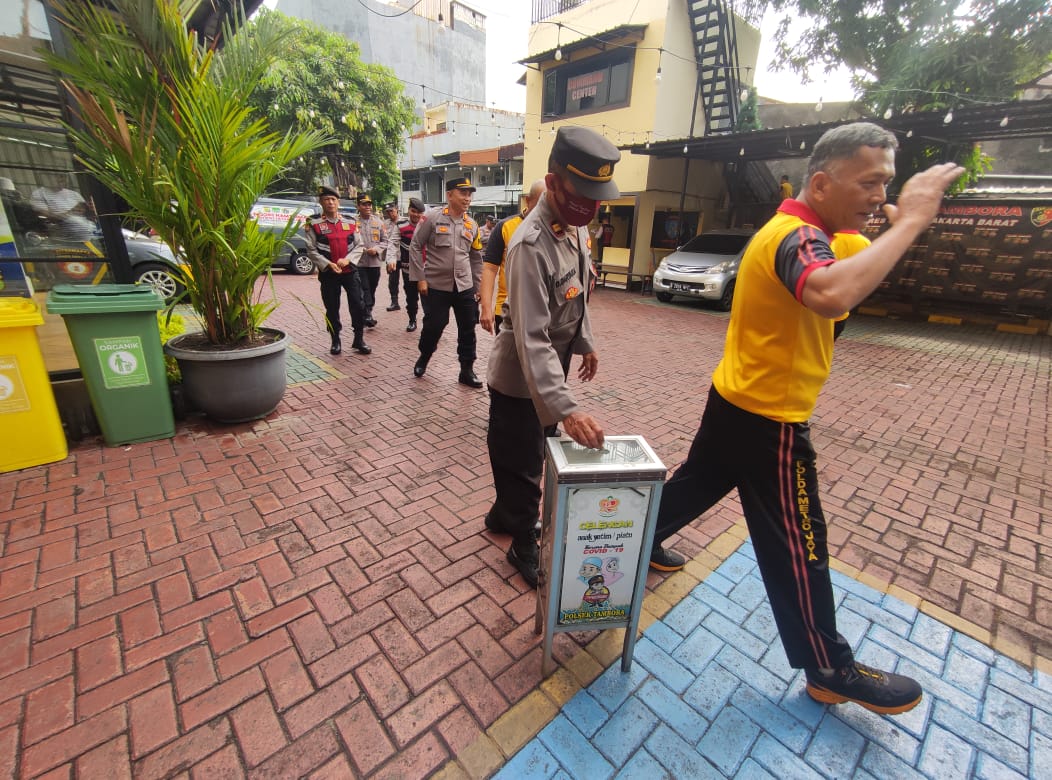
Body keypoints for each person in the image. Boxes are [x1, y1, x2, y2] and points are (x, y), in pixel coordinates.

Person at [647, 122, 963, 715]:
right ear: (821, 183)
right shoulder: (795, 237)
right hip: (770, 420)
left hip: (735, 398)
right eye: (869, 182)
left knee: (697, 482)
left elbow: (857, 267)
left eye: (887, 184)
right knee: (800, 542)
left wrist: (897, 231)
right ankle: (828, 667)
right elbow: (828, 293)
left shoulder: (823, 233)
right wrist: (915, 221)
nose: (879, 194)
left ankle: (637, 545)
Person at [485, 126, 616, 587]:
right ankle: (522, 544)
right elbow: (532, 339)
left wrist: (587, 343)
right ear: (554, 182)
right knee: (522, 459)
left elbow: (577, 295)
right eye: (583, 193)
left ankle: (504, 515)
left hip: (549, 371)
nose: (591, 206)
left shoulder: (574, 228)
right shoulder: (529, 243)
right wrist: (567, 409)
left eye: (597, 196)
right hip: (521, 376)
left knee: (528, 450)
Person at [408, 178, 485, 388]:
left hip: (465, 286)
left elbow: (476, 258)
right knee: (434, 326)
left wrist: (477, 287)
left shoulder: (472, 224)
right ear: (449, 194)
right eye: (463, 193)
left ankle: (466, 370)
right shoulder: (432, 218)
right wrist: (420, 278)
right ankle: (424, 357)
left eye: (470, 194)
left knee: (468, 328)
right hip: (436, 286)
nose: (467, 198)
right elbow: (415, 245)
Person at [305, 185, 370, 356]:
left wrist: (348, 259)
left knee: (358, 305)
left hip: (350, 272)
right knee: (332, 308)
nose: (330, 202)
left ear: (338, 202)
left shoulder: (349, 222)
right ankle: (335, 340)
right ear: (321, 202)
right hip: (329, 274)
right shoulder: (314, 224)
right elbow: (311, 250)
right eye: (326, 199)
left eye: (333, 199)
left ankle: (359, 339)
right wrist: (327, 264)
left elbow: (359, 245)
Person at [479, 179, 546, 335]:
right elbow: (489, 268)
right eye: (541, 203)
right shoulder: (505, 226)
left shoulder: (554, 230)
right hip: (507, 310)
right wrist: (486, 308)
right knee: (505, 359)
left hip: (541, 312)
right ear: (528, 201)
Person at [354, 193, 391, 327]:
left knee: (372, 288)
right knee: (365, 288)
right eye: (364, 204)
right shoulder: (353, 222)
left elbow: (385, 241)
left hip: (375, 262)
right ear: (358, 206)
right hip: (360, 262)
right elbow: (351, 241)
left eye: (369, 204)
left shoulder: (378, 222)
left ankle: (367, 312)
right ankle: (367, 314)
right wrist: (363, 250)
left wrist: (376, 249)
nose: (367, 207)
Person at [390, 198, 425, 332]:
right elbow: (392, 243)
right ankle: (412, 319)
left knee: (428, 298)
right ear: (409, 210)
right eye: (413, 211)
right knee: (411, 297)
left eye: (419, 212)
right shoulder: (401, 225)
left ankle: (429, 322)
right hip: (408, 269)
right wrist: (391, 259)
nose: (416, 215)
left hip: (425, 269)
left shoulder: (428, 225)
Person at [30, 173, 96, 242]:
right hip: (62, 241)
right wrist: (72, 211)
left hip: (89, 239)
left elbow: (88, 216)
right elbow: (47, 218)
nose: (62, 179)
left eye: (64, 176)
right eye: (59, 176)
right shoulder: (39, 194)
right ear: (49, 178)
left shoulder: (74, 194)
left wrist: (91, 210)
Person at [382, 202, 408, 312]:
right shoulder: (385, 223)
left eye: (391, 211)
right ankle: (394, 302)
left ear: (396, 209)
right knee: (393, 281)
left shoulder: (405, 221)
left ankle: (410, 301)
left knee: (408, 281)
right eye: (387, 212)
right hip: (392, 257)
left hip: (405, 256)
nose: (390, 213)